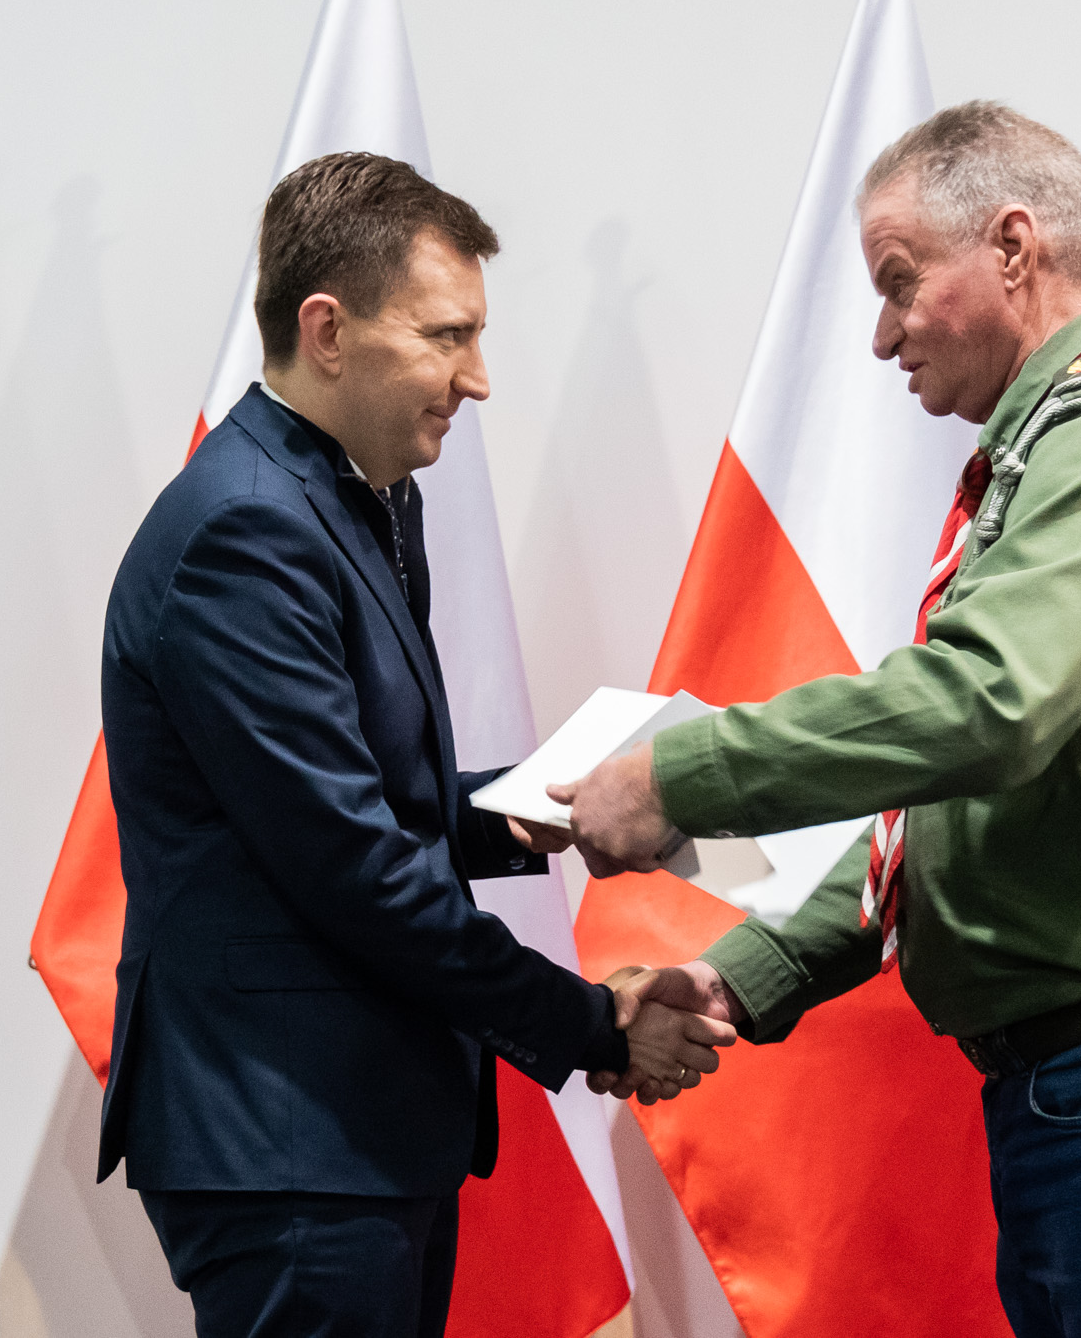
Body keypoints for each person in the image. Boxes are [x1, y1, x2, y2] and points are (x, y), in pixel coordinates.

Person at [557, 103, 1081, 1338]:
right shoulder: (1049, 455)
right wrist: (734, 980)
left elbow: (984, 709)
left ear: (1013, 248)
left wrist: (676, 777)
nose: (881, 336)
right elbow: (950, 810)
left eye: (897, 282)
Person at [96, 151, 734, 1338]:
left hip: (349, 1132)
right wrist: (592, 1024)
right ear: (326, 331)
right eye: (446, 336)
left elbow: (373, 799)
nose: (475, 380)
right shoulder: (247, 532)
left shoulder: (350, 499)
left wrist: (557, 804)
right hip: (292, 1137)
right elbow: (353, 865)